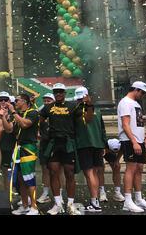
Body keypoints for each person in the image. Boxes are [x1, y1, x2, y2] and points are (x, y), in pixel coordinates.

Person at [40, 83, 89, 215]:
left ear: (65, 93)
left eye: (61, 91)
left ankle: (70, 205)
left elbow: (86, 119)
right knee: (53, 172)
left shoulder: (72, 106)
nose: (58, 94)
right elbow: (39, 120)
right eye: (56, 92)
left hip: (68, 143)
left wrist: (88, 105)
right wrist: (44, 134)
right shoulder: (48, 107)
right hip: (54, 144)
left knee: (69, 173)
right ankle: (57, 204)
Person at [0, 94, 40, 215]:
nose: (14, 102)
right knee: (19, 179)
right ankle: (25, 205)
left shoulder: (33, 112)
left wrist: (12, 112)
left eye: (17, 100)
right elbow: (9, 129)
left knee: (29, 178)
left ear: (25, 101)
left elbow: (24, 124)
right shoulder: (16, 114)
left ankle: (34, 207)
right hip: (17, 148)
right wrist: (2, 117)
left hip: (28, 148)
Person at [118, 81, 146, 212]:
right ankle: (127, 201)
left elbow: (137, 124)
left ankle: (138, 198)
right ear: (136, 90)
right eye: (142, 92)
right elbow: (125, 124)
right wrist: (133, 141)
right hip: (129, 140)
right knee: (131, 168)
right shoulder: (125, 102)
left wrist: (144, 138)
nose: (143, 95)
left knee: (139, 168)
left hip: (138, 140)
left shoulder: (135, 104)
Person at [73, 87, 106, 212]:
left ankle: (94, 202)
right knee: (94, 173)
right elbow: (102, 128)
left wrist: (89, 105)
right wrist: (104, 144)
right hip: (97, 144)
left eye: (81, 99)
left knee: (89, 173)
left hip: (85, 144)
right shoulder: (97, 109)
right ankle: (95, 201)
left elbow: (89, 119)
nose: (79, 101)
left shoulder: (79, 110)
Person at [37, 93, 54, 204]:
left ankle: (60, 194)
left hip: (56, 144)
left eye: (49, 100)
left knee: (58, 170)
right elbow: (36, 125)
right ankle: (45, 193)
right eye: (45, 100)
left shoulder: (59, 111)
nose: (46, 102)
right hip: (44, 144)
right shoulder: (40, 111)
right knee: (45, 169)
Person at [0, 91, 15, 191]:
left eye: (5, 99)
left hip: (9, 147)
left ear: (9, 101)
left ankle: (7, 198)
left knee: (7, 173)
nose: (3, 101)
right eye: (1, 99)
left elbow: (9, 130)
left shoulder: (13, 113)